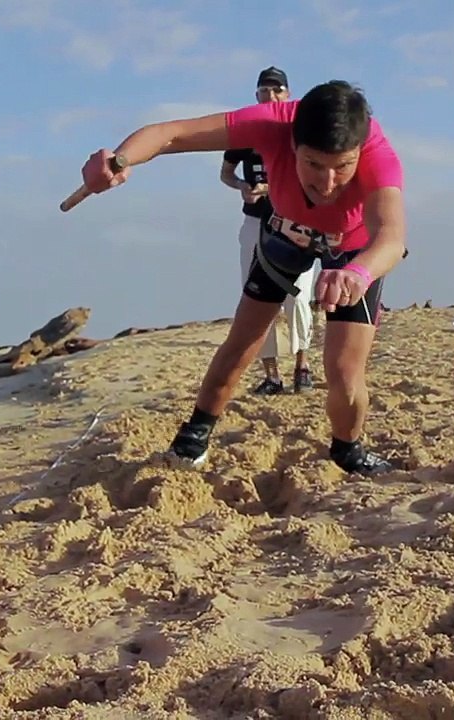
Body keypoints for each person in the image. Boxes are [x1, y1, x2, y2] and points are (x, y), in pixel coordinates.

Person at [72, 80, 407, 476]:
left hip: (354, 251)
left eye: (343, 167)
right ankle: (194, 437)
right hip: (285, 234)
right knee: (243, 342)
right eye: (314, 164)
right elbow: (170, 133)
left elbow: (391, 237)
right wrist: (119, 161)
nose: (328, 183)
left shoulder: (379, 155)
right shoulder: (273, 123)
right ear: (293, 144)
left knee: (345, 372)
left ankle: (348, 451)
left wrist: (358, 273)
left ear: (360, 150)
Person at [220, 67, 316, 395]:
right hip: (255, 222)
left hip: (294, 223)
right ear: (257, 95)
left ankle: (302, 365)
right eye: (264, 91)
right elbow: (226, 173)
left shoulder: (298, 133)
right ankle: (271, 374)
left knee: (298, 296)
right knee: (256, 298)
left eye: (277, 91)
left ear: (287, 94)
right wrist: (243, 186)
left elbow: (313, 177)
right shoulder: (246, 134)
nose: (270, 96)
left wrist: (275, 187)